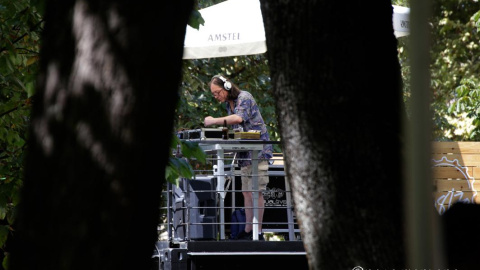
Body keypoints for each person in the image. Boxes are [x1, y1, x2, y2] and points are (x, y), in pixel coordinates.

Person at [204, 75, 273, 241]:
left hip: (258, 153)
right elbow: (236, 130)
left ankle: (259, 233)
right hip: (245, 154)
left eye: (217, 92)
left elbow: (238, 118)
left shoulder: (244, 97)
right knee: (246, 192)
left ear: (227, 86)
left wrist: (213, 121)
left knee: (256, 192)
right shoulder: (230, 105)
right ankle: (248, 231)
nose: (216, 96)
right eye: (213, 94)